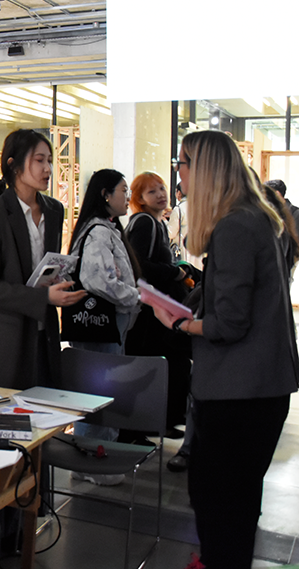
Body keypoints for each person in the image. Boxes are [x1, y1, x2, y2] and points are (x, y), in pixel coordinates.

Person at [150, 130, 299, 569]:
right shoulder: (256, 217)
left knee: (219, 502)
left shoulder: (235, 226)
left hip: (240, 391)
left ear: (206, 170)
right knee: (235, 502)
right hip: (259, 389)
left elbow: (230, 324)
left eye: (183, 164)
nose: (179, 175)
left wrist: (180, 322)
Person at [0, 129, 86, 390]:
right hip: (6, 339)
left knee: (47, 414)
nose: (48, 169)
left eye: (49, 160)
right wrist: (44, 298)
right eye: (39, 160)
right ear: (14, 165)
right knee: (9, 420)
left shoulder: (54, 210)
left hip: (45, 334)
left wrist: (60, 280)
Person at [65, 169, 140, 485]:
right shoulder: (98, 232)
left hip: (101, 327)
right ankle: (93, 463)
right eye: (123, 190)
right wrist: (134, 296)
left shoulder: (101, 229)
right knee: (102, 396)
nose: (127, 197)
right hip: (101, 326)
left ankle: (86, 461)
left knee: (93, 394)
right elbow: (98, 279)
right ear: (105, 195)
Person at [124, 171, 193, 438]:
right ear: (139, 198)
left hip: (151, 308)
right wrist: (173, 273)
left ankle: (156, 422)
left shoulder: (152, 221)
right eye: (152, 192)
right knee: (164, 363)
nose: (161, 195)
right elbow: (139, 266)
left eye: (162, 189)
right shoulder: (145, 222)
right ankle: (151, 423)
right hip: (151, 311)